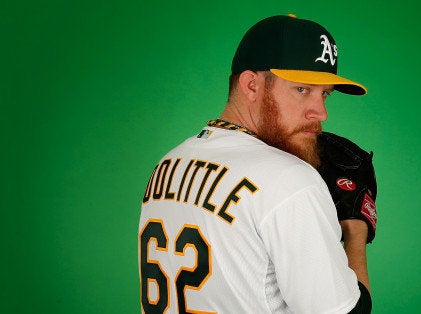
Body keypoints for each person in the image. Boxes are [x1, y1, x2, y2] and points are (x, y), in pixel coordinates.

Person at [139, 14, 374, 313]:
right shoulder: (290, 179)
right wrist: (355, 232)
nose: (321, 112)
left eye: (324, 94)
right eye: (302, 89)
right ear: (251, 85)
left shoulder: (168, 164)